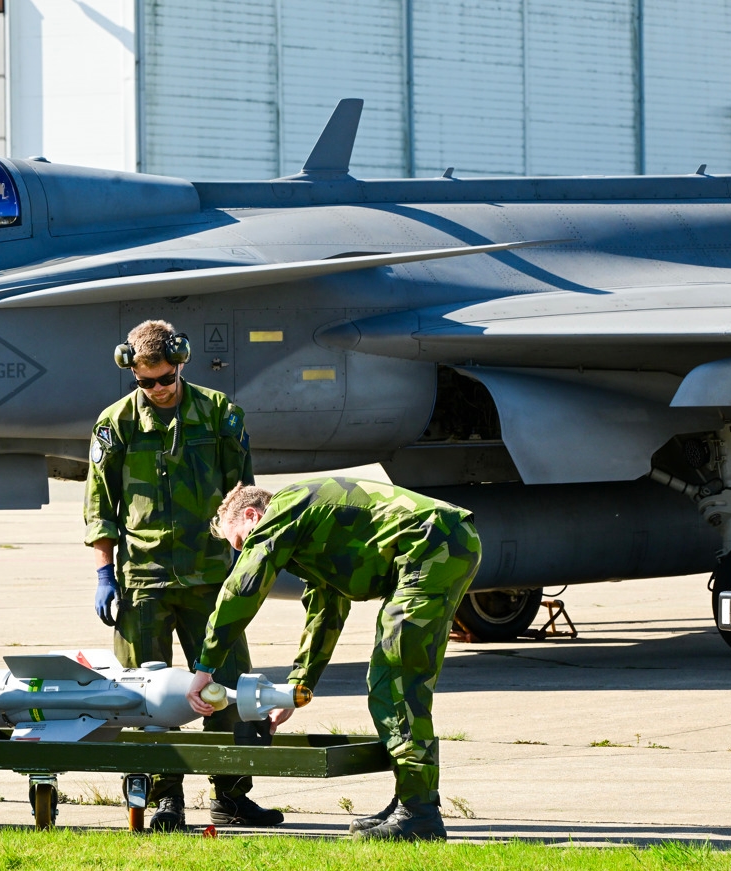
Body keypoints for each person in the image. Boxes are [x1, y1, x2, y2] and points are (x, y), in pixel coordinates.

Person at [186, 478, 482, 842]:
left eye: (241, 542)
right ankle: (411, 799)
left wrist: (205, 667)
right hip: (442, 543)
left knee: (397, 683)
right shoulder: (308, 527)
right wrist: (299, 684)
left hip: (431, 546)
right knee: (400, 683)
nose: (244, 552)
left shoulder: (283, 511)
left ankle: (419, 814)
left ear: (252, 515)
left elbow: (241, 590)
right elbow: (326, 609)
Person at [83, 319, 282, 832]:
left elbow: (245, 497)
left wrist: (247, 564)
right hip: (143, 582)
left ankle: (232, 793)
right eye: (145, 382)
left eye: (164, 378)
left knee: (230, 688)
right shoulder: (116, 423)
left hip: (213, 579)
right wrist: (106, 574)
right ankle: (164, 798)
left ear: (181, 363)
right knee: (144, 696)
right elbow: (100, 506)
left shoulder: (220, 416)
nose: (156, 390)